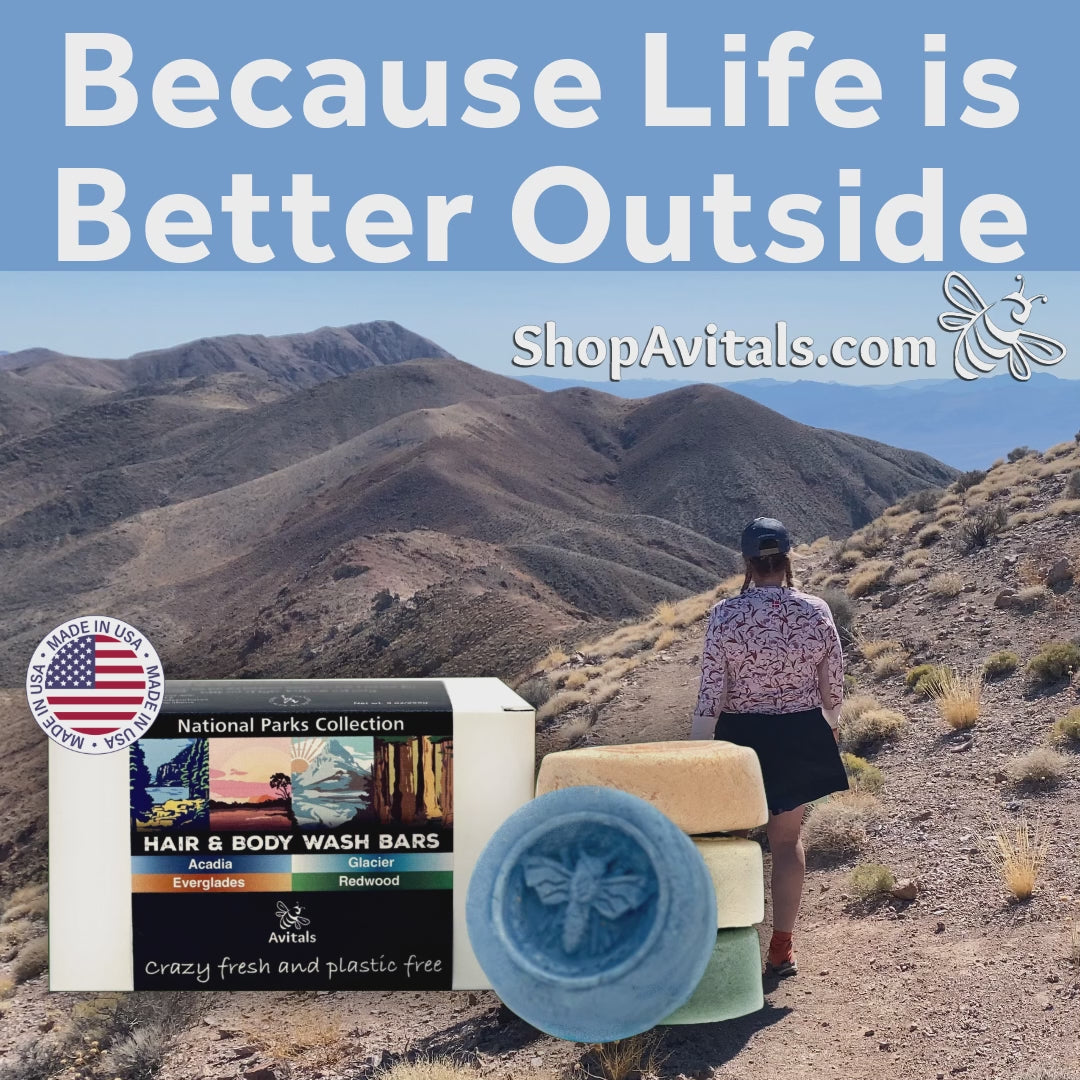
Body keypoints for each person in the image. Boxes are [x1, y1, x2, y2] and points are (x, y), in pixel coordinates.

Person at [690, 516, 848, 979]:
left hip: (741, 737)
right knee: (786, 841)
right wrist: (830, 724)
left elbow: (712, 688)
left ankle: (728, 952)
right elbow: (832, 679)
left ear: (746, 562)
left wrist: (701, 745)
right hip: (799, 733)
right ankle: (781, 948)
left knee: (733, 842)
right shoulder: (816, 610)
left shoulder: (725, 615)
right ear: (787, 559)